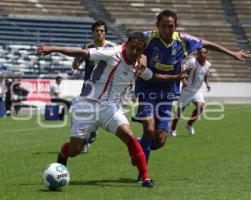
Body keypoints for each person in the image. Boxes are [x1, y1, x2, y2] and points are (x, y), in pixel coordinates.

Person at [36, 32, 186, 188]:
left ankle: (145, 178)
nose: (134, 52)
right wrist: (51, 48)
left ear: (143, 51)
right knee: (75, 149)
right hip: (87, 105)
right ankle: (63, 153)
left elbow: (152, 76)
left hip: (110, 108)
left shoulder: (138, 65)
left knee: (129, 136)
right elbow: (83, 53)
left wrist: (174, 77)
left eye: (139, 50)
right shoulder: (111, 52)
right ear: (127, 44)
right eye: (132, 48)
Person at [133, 10, 251, 169]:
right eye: (163, 26)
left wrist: (232, 53)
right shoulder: (147, 37)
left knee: (159, 140)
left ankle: (138, 146)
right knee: (149, 127)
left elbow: (207, 44)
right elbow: (130, 45)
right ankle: (143, 173)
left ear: (176, 26)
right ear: (157, 25)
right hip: (147, 88)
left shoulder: (183, 40)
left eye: (171, 26)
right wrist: (139, 59)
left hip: (167, 91)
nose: (167, 30)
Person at [72, 20, 117, 145]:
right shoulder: (88, 47)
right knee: (81, 114)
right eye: (96, 31)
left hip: (106, 89)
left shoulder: (112, 47)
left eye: (101, 31)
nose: (99, 33)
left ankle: (92, 132)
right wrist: (76, 60)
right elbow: (75, 66)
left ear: (105, 33)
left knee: (101, 113)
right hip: (88, 88)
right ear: (92, 32)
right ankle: (83, 138)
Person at [171, 48, 211, 136]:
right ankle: (173, 129)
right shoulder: (192, 62)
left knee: (201, 107)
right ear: (197, 53)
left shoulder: (208, 64)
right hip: (187, 89)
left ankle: (189, 124)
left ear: (207, 54)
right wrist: (184, 81)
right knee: (180, 110)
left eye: (204, 53)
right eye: (200, 53)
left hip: (197, 90)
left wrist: (207, 84)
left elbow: (206, 75)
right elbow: (182, 71)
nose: (202, 54)